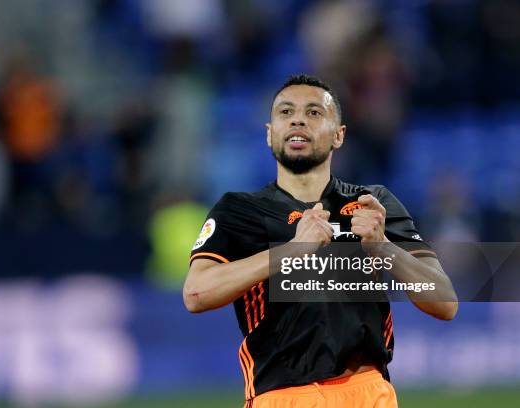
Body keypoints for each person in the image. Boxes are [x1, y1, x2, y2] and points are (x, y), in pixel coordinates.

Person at [183, 74, 458, 407]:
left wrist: (383, 247)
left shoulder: (374, 204)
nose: (298, 119)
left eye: (314, 112)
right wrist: (290, 252)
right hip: (283, 397)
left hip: (367, 392)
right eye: (285, 112)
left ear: (339, 136)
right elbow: (196, 294)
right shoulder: (240, 210)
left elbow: (444, 302)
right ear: (270, 135)